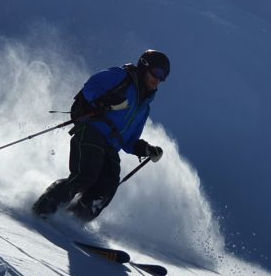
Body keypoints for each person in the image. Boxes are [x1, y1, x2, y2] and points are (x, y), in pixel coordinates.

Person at [32, 49, 170, 222]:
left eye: (163, 77)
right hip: (92, 130)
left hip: (110, 147)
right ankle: (42, 209)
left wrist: (146, 149)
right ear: (144, 66)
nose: (158, 79)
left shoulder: (144, 107)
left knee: (107, 187)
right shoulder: (121, 76)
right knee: (86, 175)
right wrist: (107, 102)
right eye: (157, 73)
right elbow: (91, 87)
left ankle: (72, 221)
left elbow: (129, 142)